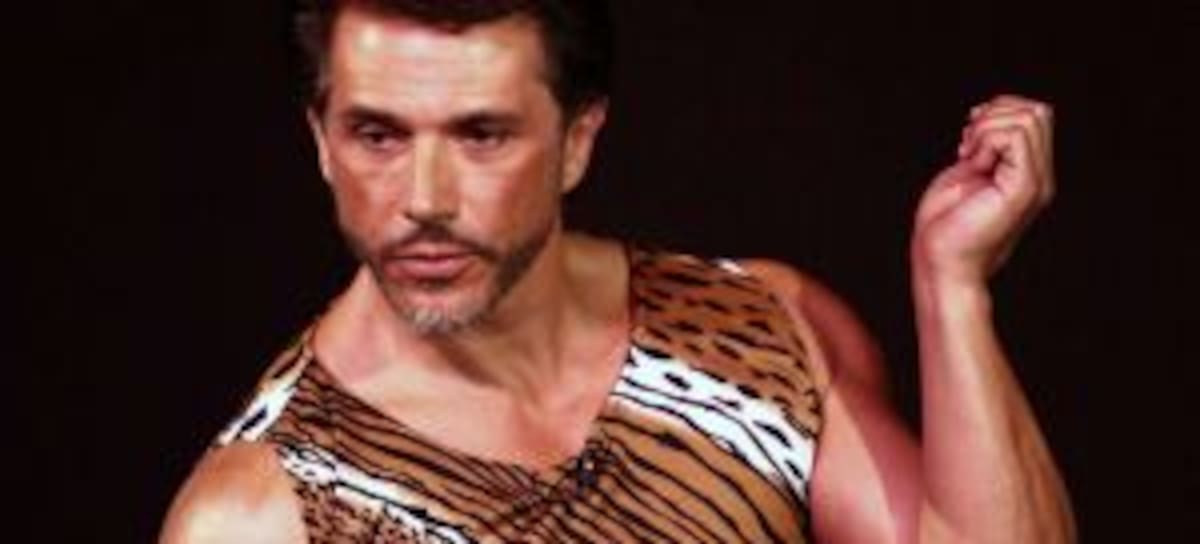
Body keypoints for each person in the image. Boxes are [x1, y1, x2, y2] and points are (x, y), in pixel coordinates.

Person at [160, 1, 1076, 542]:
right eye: (377, 135)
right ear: (322, 142)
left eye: (482, 135)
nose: (424, 198)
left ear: (577, 140)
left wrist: (952, 287)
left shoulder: (758, 332)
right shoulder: (260, 513)